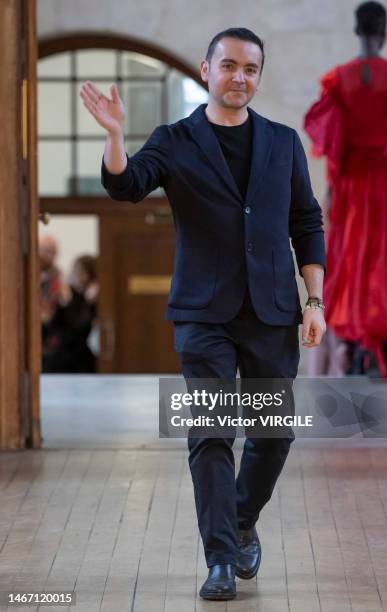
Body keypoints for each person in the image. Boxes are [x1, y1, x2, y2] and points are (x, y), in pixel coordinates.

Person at [80, 27, 326, 600]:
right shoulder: (174, 140)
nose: (240, 76)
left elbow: (307, 224)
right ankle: (219, 558)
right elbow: (127, 187)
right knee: (211, 432)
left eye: (251, 68)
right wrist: (117, 137)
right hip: (202, 313)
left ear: (258, 76)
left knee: (274, 435)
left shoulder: (284, 143)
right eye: (230, 65)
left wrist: (313, 301)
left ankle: (240, 520)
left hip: (271, 311)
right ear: (206, 70)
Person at [304, 1, 387, 379]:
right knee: (385, 263)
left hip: (351, 185)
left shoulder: (338, 80)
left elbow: (333, 144)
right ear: (382, 32)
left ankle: (355, 347)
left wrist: (332, 190)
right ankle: (378, 348)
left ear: (357, 30)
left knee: (349, 264)